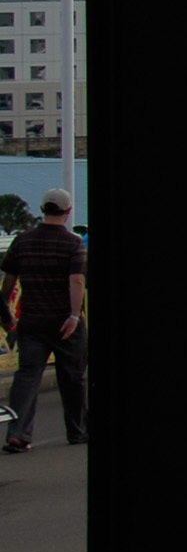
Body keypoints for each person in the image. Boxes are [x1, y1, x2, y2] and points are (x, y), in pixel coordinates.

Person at [1, 189, 86, 451]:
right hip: (64, 323)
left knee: (27, 376)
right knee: (72, 377)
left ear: (42, 209)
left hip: (32, 322)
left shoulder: (23, 241)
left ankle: (18, 433)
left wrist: (5, 311)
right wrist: (73, 314)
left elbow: (10, 280)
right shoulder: (73, 243)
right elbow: (77, 280)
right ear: (68, 211)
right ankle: (77, 431)